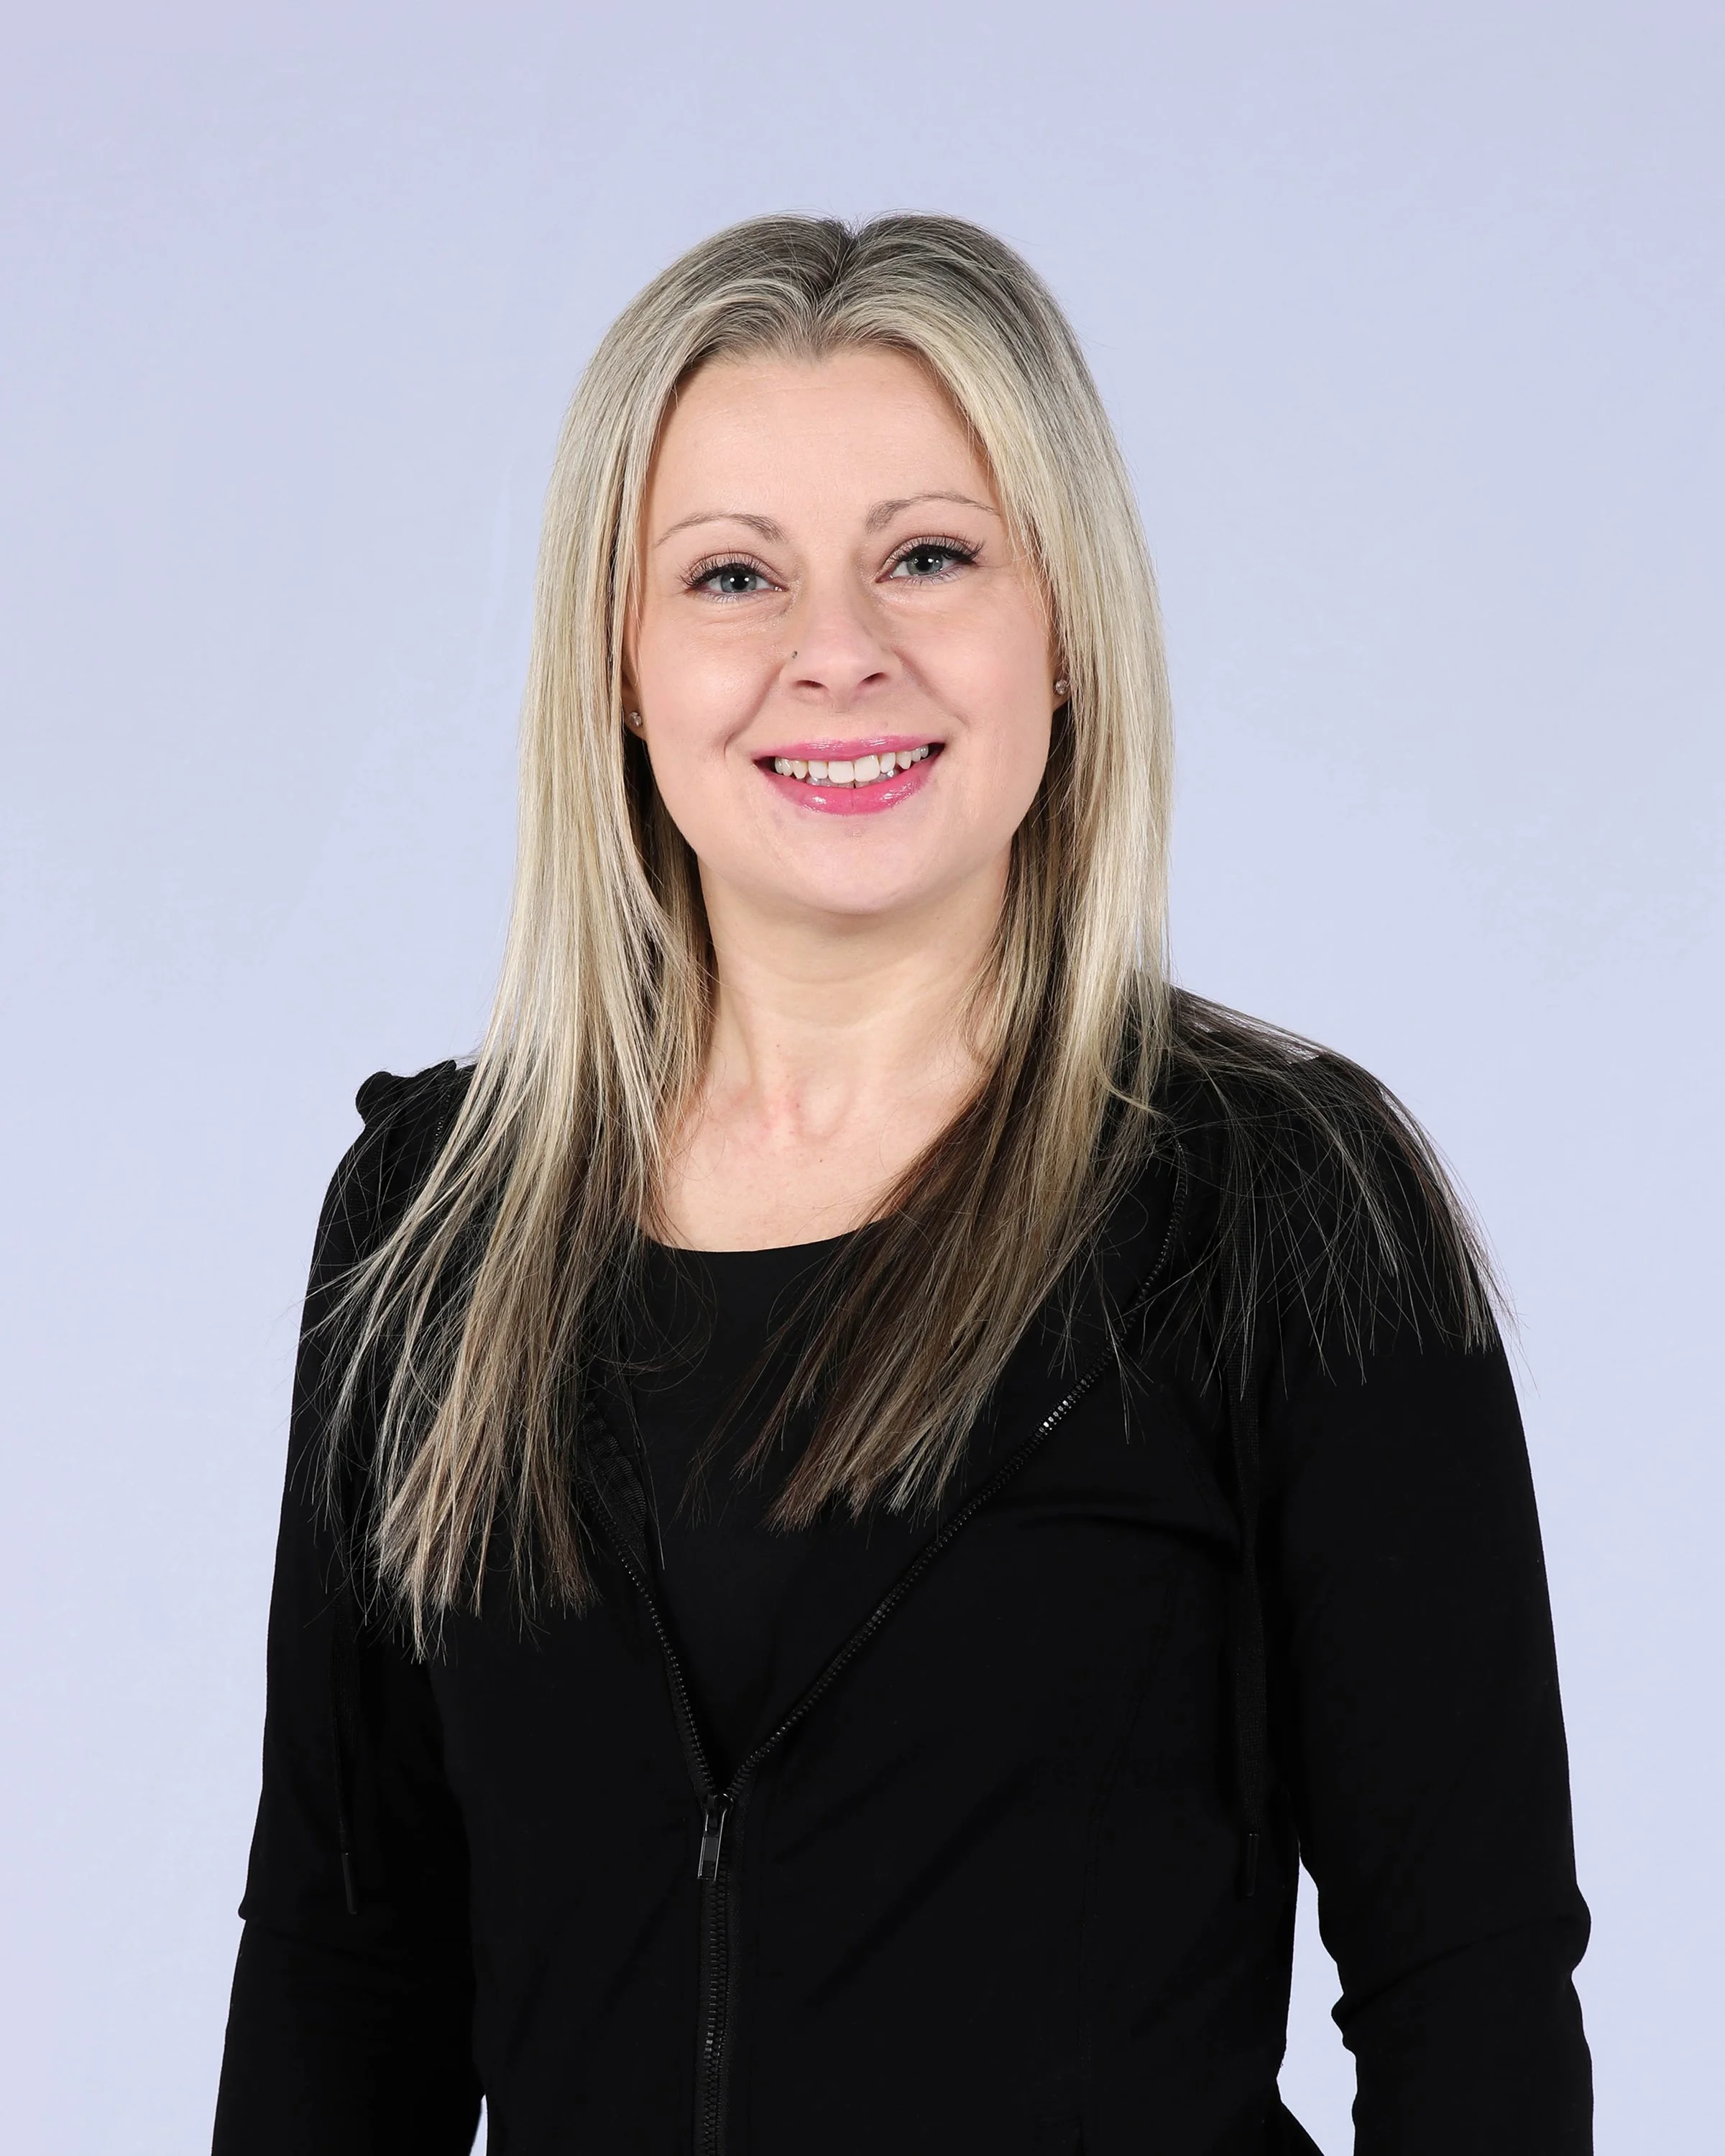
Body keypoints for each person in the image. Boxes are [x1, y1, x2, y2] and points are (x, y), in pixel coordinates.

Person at [211, 213, 1591, 2155]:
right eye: (733, 575)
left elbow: (1473, 1995)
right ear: (617, 665)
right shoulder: (435, 1225)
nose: (837, 652)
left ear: (1066, 627)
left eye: (928, 556)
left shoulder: (1286, 1206)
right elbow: (345, 1976)